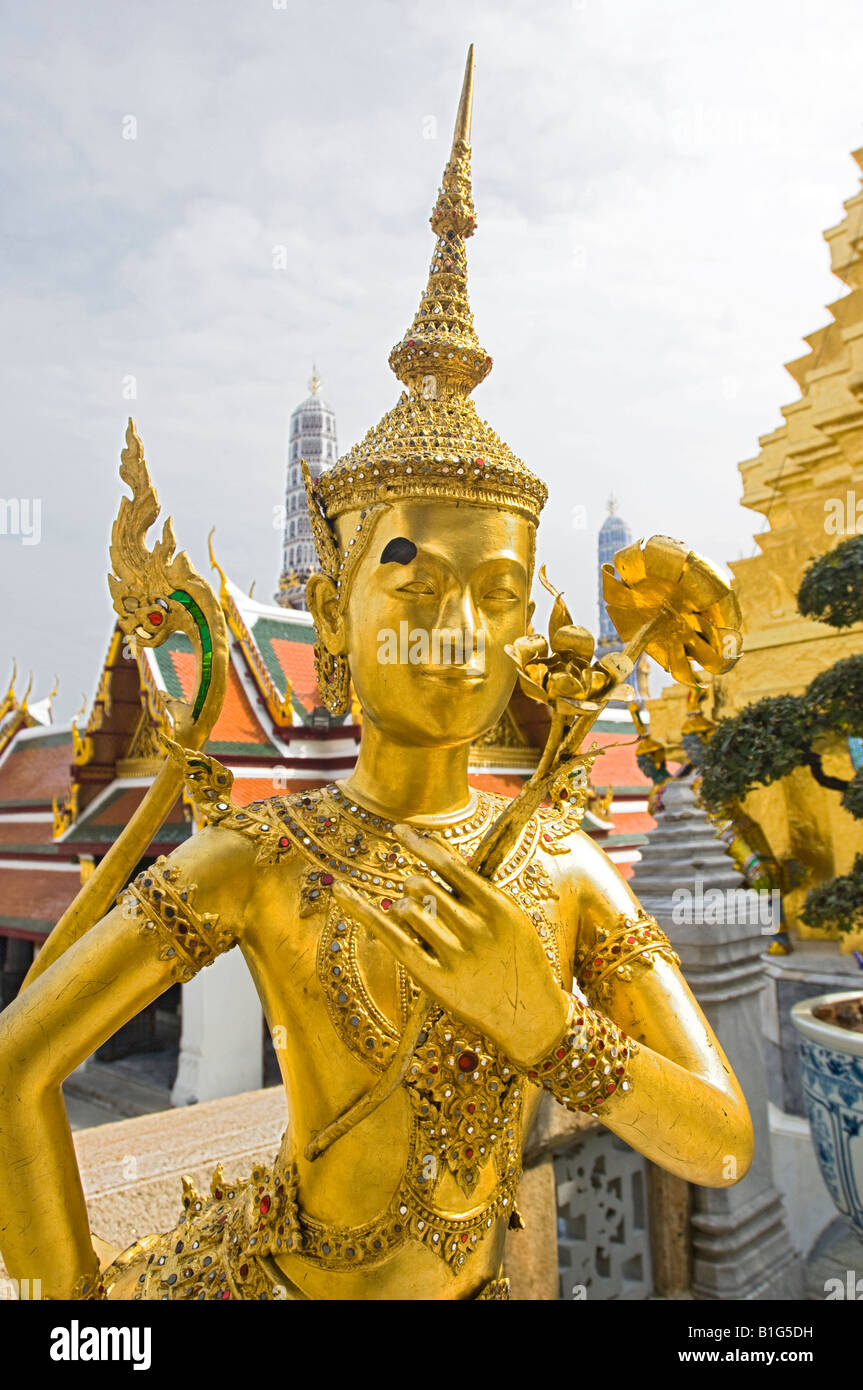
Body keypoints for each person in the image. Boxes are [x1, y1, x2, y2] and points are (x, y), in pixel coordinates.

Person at [0, 48, 752, 1302]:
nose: (458, 633)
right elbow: (21, 1063)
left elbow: (719, 1139)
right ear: (331, 615)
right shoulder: (260, 854)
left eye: (499, 596)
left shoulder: (557, 866)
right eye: (412, 588)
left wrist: (549, 1027)